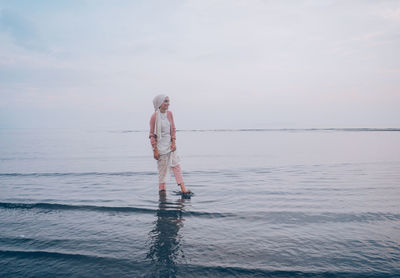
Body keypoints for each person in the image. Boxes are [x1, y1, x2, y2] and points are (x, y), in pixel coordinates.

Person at [149, 94, 191, 195]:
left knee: (176, 166)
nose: (168, 103)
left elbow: (173, 129)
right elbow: (151, 135)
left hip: (170, 146)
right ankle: (162, 192)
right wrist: (155, 150)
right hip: (160, 148)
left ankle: (183, 189)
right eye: (166, 101)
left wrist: (173, 142)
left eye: (168, 101)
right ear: (160, 103)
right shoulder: (154, 116)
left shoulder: (170, 114)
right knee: (162, 171)